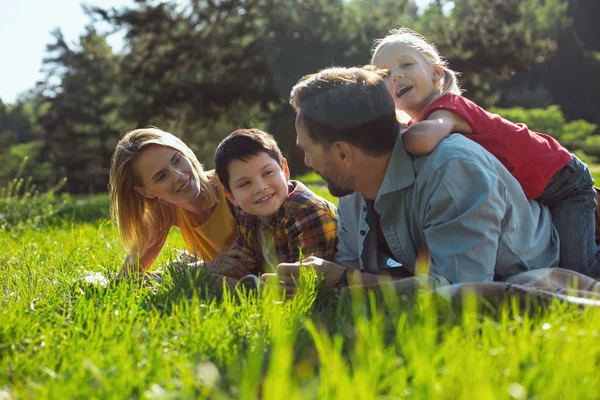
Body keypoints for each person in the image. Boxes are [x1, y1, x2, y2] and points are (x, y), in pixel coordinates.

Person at [262, 65, 576, 295]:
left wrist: (342, 279)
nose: (306, 162)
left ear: (344, 154)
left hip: (541, 274)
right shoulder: (352, 190)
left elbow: (458, 292)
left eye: (307, 150)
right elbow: (354, 271)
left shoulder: (453, 171)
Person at [370, 27, 599, 278]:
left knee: (580, 271)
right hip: (533, 186)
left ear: (436, 73)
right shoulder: (426, 121)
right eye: (385, 74)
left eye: (406, 64)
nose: (396, 76)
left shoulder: (446, 107)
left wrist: (386, 133)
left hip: (564, 182)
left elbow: (421, 142)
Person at [109, 128, 249, 281]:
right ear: (146, 192)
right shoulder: (167, 211)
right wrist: (204, 268)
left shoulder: (232, 185)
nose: (179, 176)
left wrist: (190, 270)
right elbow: (125, 278)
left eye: (177, 160)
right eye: (162, 176)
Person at [214, 128, 338, 275]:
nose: (260, 188)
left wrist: (240, 286)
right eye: (244, 184)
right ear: (232, 197)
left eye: (267, 173)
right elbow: (245, 267)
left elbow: (305, 284)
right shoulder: (246, 213)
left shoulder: (307, 213)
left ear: (285, 170)